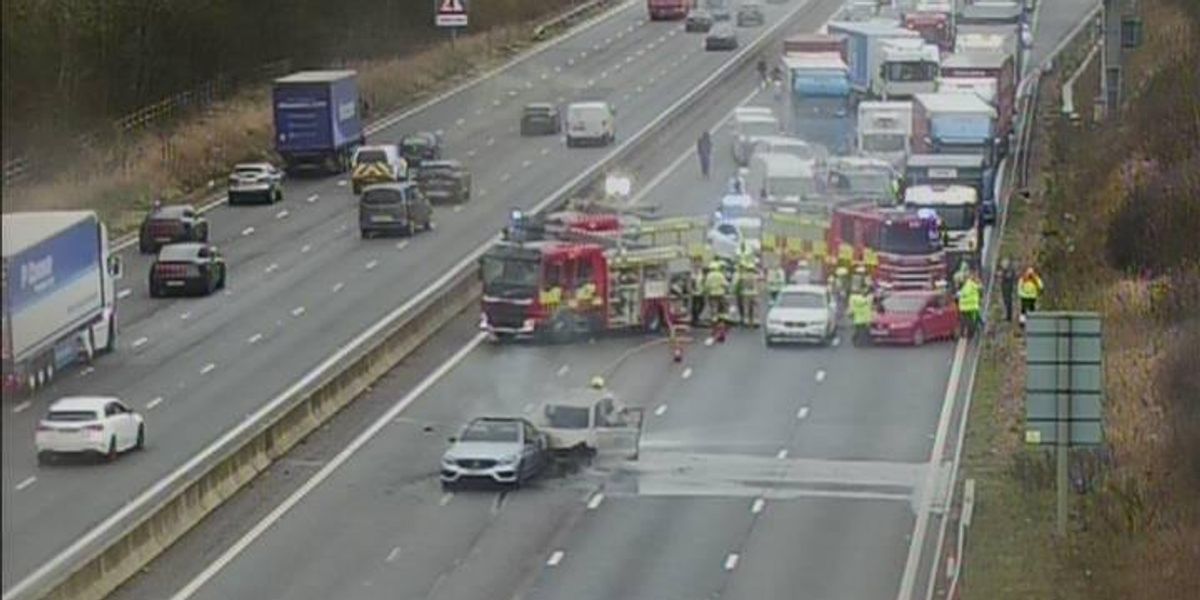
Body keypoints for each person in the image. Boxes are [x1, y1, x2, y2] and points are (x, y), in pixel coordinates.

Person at [703, 261, 730, 328]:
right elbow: (725, 284)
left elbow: (706, 285)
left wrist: (706, 292)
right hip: (720, 293)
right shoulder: (720, 274)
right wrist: (727, 289)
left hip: (712, 294)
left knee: (714, 306)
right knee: (723, 305)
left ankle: (714, 319)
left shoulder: (709, 275)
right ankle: (723, 318)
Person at [734, 261, 759, 327]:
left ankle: (746, 321)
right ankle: (755, 321)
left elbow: (740, 285)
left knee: (746, 308)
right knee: (754, 308)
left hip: (745, 293)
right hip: (754, 293)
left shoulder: (743, 276)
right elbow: (760, 286)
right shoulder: (756, 276)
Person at [957, 272, 982, 338]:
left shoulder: (968, 284)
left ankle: (967, 334)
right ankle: (972, 332)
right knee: (971, 320)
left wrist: (959, 294)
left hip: (967, 306)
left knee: (966, 321)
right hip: (971, 306)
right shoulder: (971, 284)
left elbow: (965, 293)